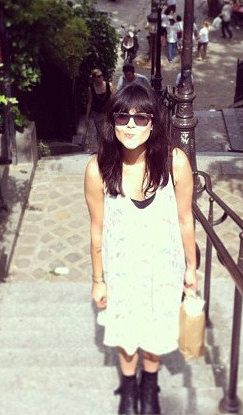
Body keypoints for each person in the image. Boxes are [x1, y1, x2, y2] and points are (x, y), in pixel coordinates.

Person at [84, 84, 197, 414]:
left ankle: (150, 386)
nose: (131, 125)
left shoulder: (175, 163)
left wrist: (191, 268)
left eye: (140, 117)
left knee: (157, 326)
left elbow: (185, 219)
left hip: (165, 267)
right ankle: (129, 389)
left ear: (153, 122)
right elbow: (97, 229)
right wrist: (98, 279)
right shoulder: (98, 169)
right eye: (123, 117)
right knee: (125, 329)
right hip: (121, 269)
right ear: (113, 122)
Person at [86, 68, 115, 139]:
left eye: (101, 75)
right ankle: (101, 144)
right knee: (100, 132)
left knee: (108, 131)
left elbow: (114, 99)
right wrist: (87, 117)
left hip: (107, 112)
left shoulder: (109, 86)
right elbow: (89, 103)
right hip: (97, 113)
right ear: (94, 78)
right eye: (98, 76)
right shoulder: (91, 89)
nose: (100, 77)